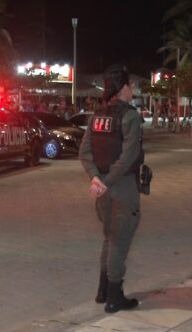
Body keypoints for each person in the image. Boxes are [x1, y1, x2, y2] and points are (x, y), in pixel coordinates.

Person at [79, 64, 144, 313]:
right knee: (119, 241)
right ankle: (115, 297)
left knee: (109, 237)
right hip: (122, 186)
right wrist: (105, 181)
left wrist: (96, 178)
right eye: (131, 86)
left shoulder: (96, 116)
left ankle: (103, 290)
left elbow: (85, 153)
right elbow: (129, 156)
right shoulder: (129, 116)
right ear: (124, 88)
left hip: (102, 190)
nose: (133, 90)